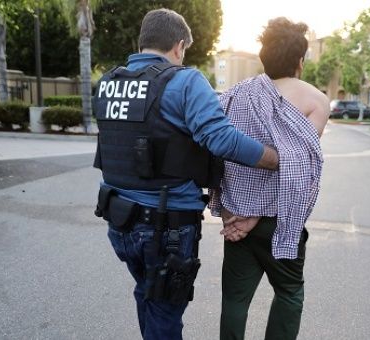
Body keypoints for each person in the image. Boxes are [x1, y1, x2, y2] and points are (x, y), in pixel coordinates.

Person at [92, 8, 280, 340]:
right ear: (179, 46)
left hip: (119, 222)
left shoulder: (109, 82)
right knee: (165, 308)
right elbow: (219, 137)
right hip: (166, 227)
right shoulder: (185, 80)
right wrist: (274, 159)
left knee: (147, 292)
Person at [208, 17, 330, 340]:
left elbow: (214, 151)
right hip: (280, 219)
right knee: (289, 293)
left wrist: (233, 211)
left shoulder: (234, 95)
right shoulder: (316, 102)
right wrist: (257, 216)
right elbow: (297, 170)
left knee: (234, 300)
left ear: (264, 56)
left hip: (236, 218)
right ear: (300, 61)